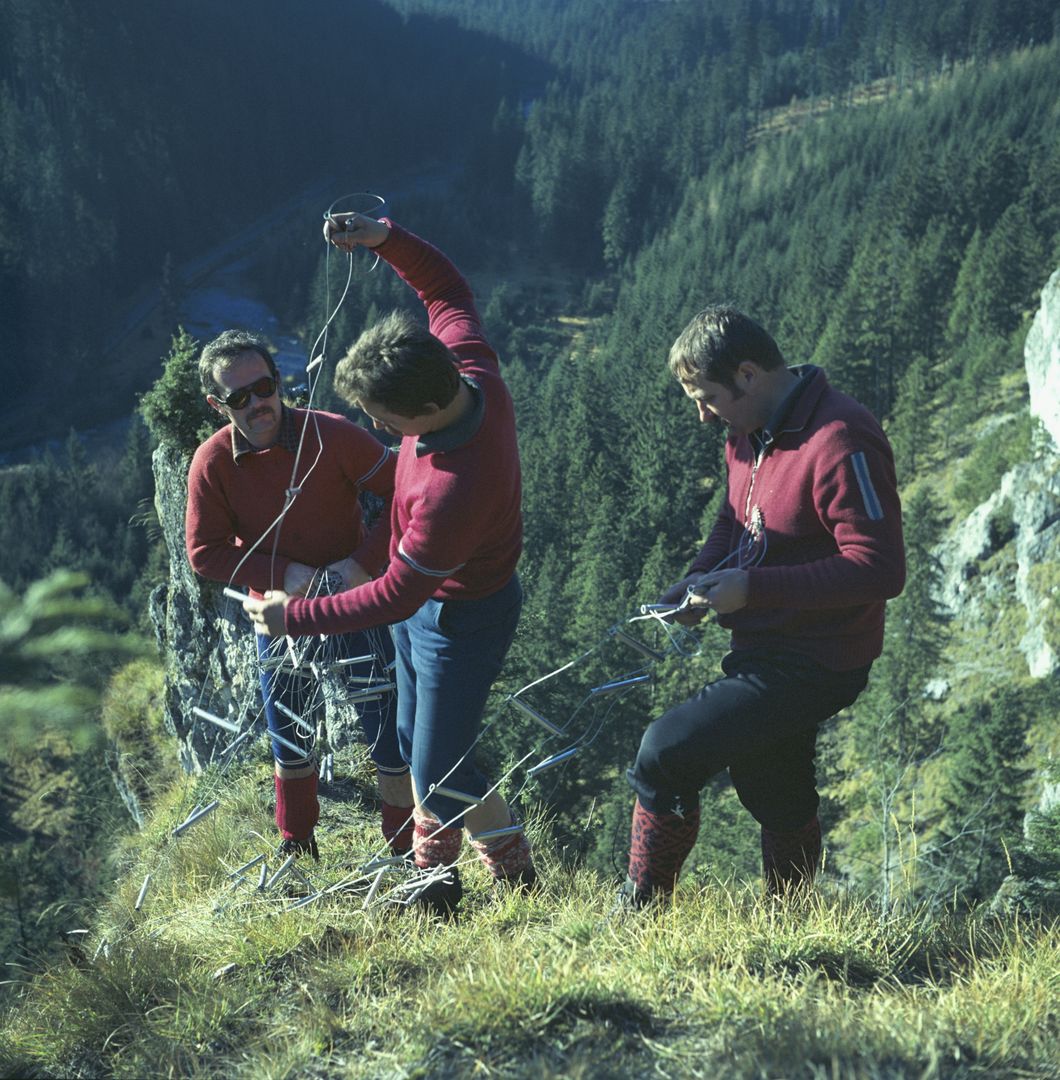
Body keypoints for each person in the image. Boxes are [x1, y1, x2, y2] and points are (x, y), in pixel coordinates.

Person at [243, 215, 534, 912]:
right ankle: (514, 866)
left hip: (460, 619)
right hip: (432, 608)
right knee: (419, 742)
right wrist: (383, 239)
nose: (378, 431)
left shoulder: (453, 490)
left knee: (433, 770)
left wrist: (296, 617)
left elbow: (397, 596)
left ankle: (437, 885)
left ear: (428, 408)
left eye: (385, 420)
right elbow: (446, 290)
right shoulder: (468, 367)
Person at [620, 306, 905, 905]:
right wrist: (700, 577)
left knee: (665, 753)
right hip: (767, 642)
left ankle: (640, 912)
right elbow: (735, 518)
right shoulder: (749, 431)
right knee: (771, 782)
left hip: (820, 657)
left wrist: (753, 589)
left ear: (749, 375)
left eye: (707, 397)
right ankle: (795, 920)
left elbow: (880, 567)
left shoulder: (840, 440)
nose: (702, 414)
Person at [186, 329, 414, 861]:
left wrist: (361, 564)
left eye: (262, 387)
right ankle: (297, 847)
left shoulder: (331, 435)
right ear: (217, 404)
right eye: (238, 398)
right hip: (280, 615)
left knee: (388, 739)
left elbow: (404, 488)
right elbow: (204, 553)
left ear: (278, 381)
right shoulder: (212, 464)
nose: (256, 404)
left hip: (355, 604)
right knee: (290, 737)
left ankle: (408, 855)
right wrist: (282, 572)